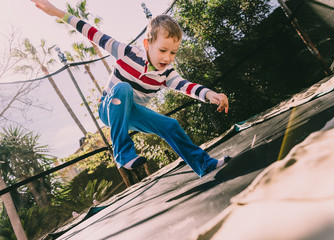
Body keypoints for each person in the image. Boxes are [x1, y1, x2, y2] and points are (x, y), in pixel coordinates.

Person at [31, 0, 230, 177]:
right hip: (110, 108)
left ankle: (204, 164)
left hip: (133, 115)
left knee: (171, 125)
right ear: (147, 44)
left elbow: (187, 86)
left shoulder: (166, 74)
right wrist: (57, 12)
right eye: (162, 50)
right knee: (123, 88)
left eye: (173, 53)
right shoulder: (126, 52)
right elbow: (92, 32)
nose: (167, 58)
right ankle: (123, 153)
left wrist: (210, 94)